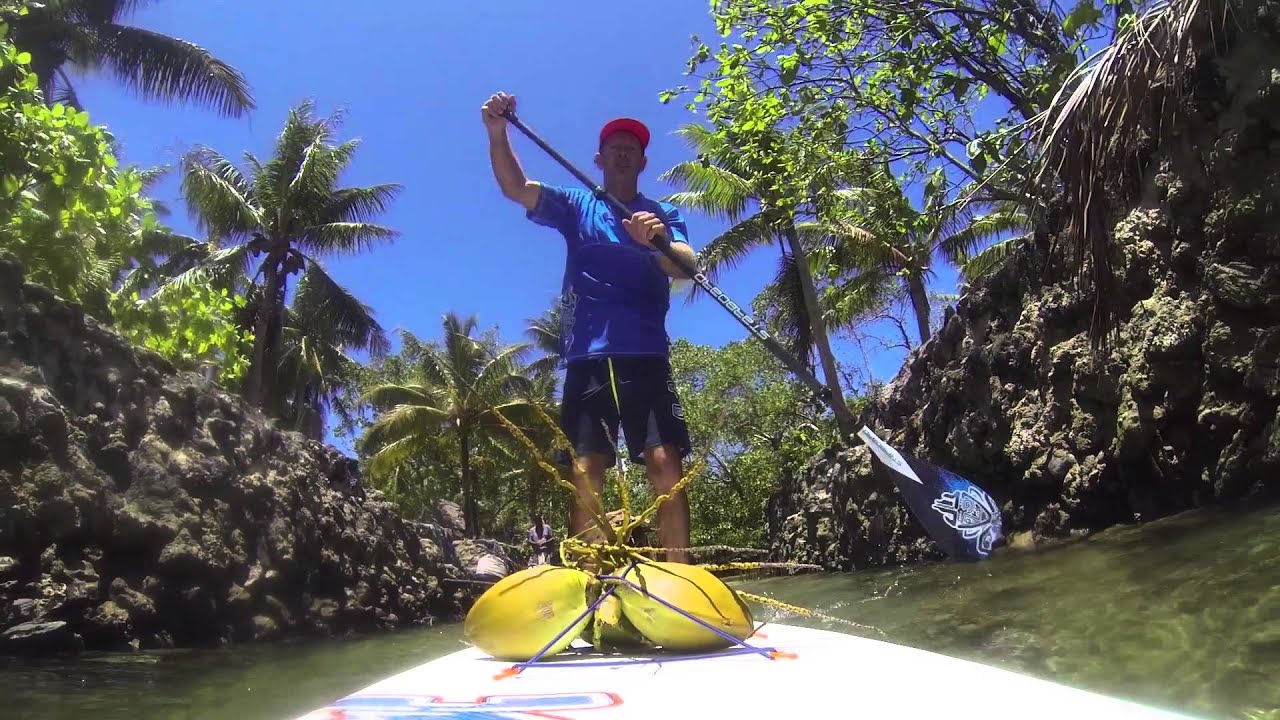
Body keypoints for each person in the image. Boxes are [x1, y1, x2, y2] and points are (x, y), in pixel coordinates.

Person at [481, 90, 696, 563]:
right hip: (587, 356)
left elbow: (686, 265)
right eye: (614, 148)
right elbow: (516, 188)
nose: (622, 153)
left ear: (643, 161)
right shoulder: (577, 204)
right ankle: (588, 577)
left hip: (646, 354)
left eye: (631, 148)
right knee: (584, 467)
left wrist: (656, 241)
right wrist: (497, 132)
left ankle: (681, 573)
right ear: (599, 160)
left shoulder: (664, 214)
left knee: (665, 462)